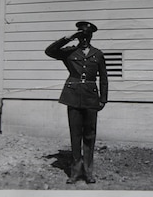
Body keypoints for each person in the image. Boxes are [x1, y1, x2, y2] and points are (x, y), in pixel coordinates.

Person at [45, 21, 108, 184]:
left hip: (90, 99)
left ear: (91, 36)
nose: (84, 39)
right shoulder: (70, 52)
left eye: (87, 36)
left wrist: (103, 99)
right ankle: (75, 171)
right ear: (78, 36)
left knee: (89, 135)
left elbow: (104, 79)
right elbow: (49, 51)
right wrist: (67, 38)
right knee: (75, 135)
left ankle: (88, 172)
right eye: (82, 36)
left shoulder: (98, 54)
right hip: (72, 97)